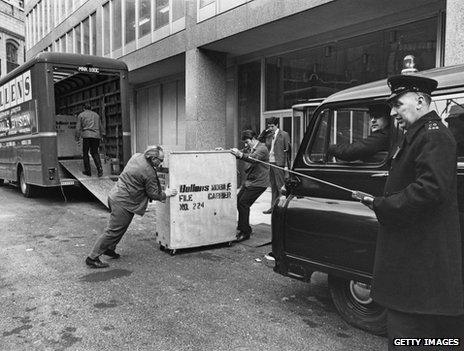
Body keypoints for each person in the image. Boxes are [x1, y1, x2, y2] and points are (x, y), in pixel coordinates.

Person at [355, 74, 464, 348]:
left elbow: (430, 191)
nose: (393, 113)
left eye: (398, 105)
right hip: (414, 263)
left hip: (419, 268)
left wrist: (382, 204)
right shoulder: (420, 135)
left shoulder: (434, 137)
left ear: (419, 101)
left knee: (409, 337)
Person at [85, 145, 178, 268]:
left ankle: (109, 249)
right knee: (113, 231)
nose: (161, 163)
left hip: (116, 196)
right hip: (123, 203)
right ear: (152, 158)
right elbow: (153, 194)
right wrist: (166, 193)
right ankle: (92, 257)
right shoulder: (148, 171)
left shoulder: (137, 156)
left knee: (120, 228)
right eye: (160, 160)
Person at [231, 130, 269, 242]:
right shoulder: (250, 147)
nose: (246, 145)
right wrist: (225, 152)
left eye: (247, 142)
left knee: (243, 203)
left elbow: (252, 158)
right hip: (250, 182)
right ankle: (244, 227)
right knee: (238, 201)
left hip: (259, 183)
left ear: (253, 139)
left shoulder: (262, 148)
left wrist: (241, 154)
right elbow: (240, 153)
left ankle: (245, 232)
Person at [261, 117, 291, 214]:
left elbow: (288, 151)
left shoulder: (284, 134)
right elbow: (259, 140)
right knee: (273, 186)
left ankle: (281, 209)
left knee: (280, 187)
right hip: (270, 163)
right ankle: (273, 208)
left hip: (279, 163)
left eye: (272, 126)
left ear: (277, 125)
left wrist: (286, 165)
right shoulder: (268, 135)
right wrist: (264, 132)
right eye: (269, 126)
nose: (271, 128)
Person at [75, 104, 104, 177]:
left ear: (83, 108)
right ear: (91, 108)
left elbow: (78, 128)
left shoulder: (81, 115)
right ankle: (100, 169)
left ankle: (88, 171)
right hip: (96, 136)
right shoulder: (96, 115)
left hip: (86, 136)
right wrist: (102, 135)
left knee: (85, 153)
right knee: (95, 153)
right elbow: (100, 126)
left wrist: (77, 137)